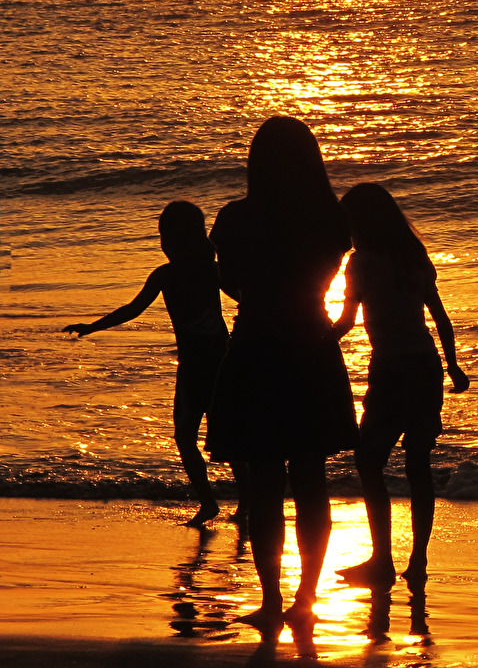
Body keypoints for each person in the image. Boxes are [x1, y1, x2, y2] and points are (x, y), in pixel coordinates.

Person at [205, 116, 356, 637]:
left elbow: (229, 284)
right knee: (311, 481)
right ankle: (306, 598)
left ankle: (272, 598)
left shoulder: (235, 219)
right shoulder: (331, 220)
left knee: (266, 481)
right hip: (310, 347)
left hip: (256, 347)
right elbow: (325, 276)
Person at [62, 200, 244, 528]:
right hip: (209, 365)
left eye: (167, 237)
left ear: (180, 239)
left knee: (197, 437)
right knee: (207, 437)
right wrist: (92, 327)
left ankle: (222, 504)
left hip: (210, 367)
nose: (164, 244)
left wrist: (92, 327)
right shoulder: (193, 272)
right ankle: (225, 504)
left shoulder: (189, 272)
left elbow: (133, 309)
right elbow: (133, 309)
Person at [330, 182, 470, 591]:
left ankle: (383, 560)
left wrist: (312, 341)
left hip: (391, 369)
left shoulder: (361, 262)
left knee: (370, 462)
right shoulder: (415, 256)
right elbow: (440, 318)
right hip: (426, 369)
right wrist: (453, 367)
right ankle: (418, 560)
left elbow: (346, 322)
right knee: (417, 465)